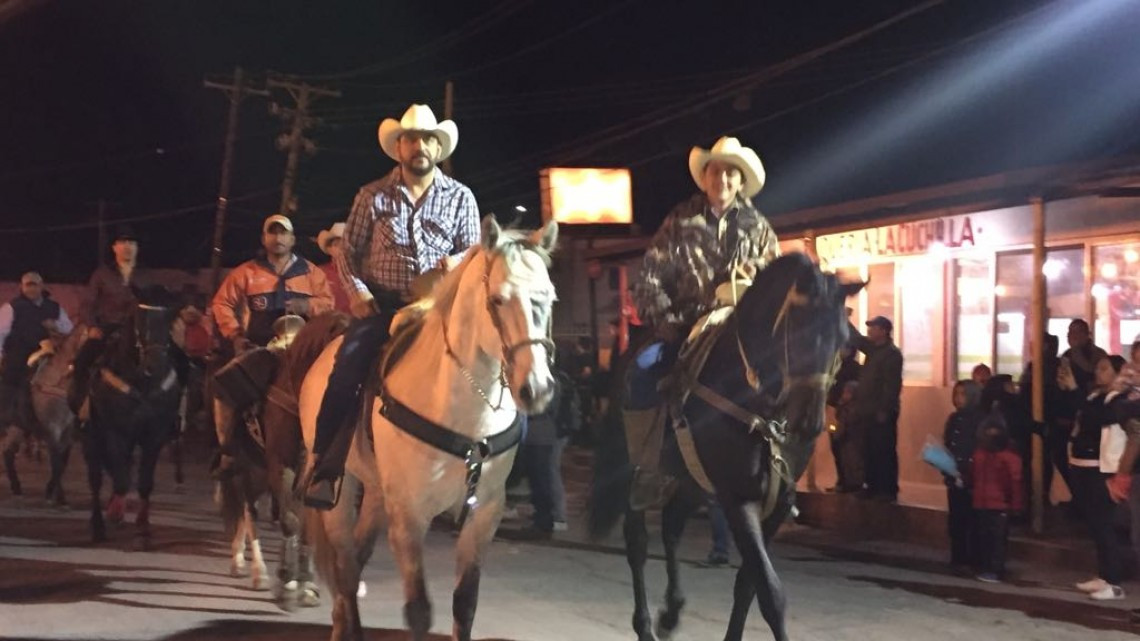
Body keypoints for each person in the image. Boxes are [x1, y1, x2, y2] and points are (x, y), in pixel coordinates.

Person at [304, 104, 480, 508]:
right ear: (398, 147)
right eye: (411, 139)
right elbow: (348, 252)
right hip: (382, 305)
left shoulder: (461, 197)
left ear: (438, 147)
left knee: (489, 364)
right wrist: (359, 293)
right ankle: (324, 465)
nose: (420, 146)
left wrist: (448, 265)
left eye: (428, 139)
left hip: (438, 307)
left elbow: (472, 250)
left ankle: (488, 469)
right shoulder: (372, 195)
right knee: (347, 368)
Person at [625, 136, 778, 503]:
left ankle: (780, 473)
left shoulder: (759, 227)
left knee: (786, 379)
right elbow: (649, 275)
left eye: (730, 173)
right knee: (641, 373)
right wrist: (665, 320)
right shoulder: (680, 220)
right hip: (685, 324)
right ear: (705, 177)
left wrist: (755, 268)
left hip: (741, 328)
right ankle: (647, 466)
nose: (722, 179)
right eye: (715, 171)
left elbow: (775, 275)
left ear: (740, 181)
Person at [71, 225, 162, 411]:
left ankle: (173, 413)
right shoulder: (102, 274)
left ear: (137, 248)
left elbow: (155, 303)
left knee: (170, 361)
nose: (127, 246)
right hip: (107, 328)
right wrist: (92, 326)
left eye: (131, 243)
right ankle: (79, 407)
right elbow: (87, 304)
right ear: (114, 248)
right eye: (123, 242)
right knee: (81, 362)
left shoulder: (147, 276)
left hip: (139, 330)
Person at [212, 214, 334, 351]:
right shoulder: (246, 272)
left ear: (292, 240)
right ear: (263, 239)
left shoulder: (312, 273)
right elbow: (221, 303)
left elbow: (328, 305)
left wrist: (307, 305)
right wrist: (235, 334)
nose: (278, 238)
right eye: (272, 233)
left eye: (283, 233)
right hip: (257, 349)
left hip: (301, 351)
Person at [1063, 353, 1127, 600]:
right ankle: (1104, 576)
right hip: (1082, 464)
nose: (1098, 372)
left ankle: (1115, 583)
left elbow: (1095, 418)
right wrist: (1072, 391)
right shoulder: (1094, 396)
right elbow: (1079, 413)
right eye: (1098, 368)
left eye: (1104, 368)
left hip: (1101, 468)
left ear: (1117, 373)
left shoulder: (1119, 400)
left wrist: (1076, 392)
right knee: (1094, 523)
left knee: (1104, 524)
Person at [0, 272, 74, 431]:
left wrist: (55, 326)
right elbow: (1, 332)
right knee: (11, 378)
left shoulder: (53, 307)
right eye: (28, 285)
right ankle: (7, 420)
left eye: (35, 285)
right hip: (20, 351)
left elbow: (69, 329)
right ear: (22, 287)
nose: (31, 289)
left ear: (42, 286)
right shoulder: (13, 307)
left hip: (49, 350)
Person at [849, 316, 903, 502]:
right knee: (868, 450)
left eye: (874, 327)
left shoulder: (892, 354)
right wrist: (842, 317)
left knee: (884, 451)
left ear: (884, 331)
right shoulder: (873, 349)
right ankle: (871, 486)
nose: (870, 331)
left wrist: (884, 410)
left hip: (881, 412)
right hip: (866, 410)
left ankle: (887, 490)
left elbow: (892, 386)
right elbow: (856, 338)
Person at [971, 410, 1024, 583]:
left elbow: (1015, 483)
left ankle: (994, 569)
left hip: (997, 504)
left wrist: (1015, 506)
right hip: (986, 503)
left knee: (995, 540)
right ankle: (989, 568)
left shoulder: (1005, 456)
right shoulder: (983, 454)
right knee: (987, 538)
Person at [1017, 333, 1067, 503]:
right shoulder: (1034, 365)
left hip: (1047, 419)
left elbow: (1052, 393)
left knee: (1047, 459)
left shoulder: (1050, 366)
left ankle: (1042, 496)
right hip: (1034, 419)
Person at [942, 380, 983, 573]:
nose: (958, 398)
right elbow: (949, 443)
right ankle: (958, 556)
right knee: (956, 519)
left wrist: (967, 469)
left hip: (971, 476)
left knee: (971, 519)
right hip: (954, 474)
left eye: (963, 394)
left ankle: (973, 557)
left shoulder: (979, 419)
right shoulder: (954, 419)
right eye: (956, 394)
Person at [826, 345, 862, 493]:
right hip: (834, 411)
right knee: (835, 447)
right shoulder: (836, 366)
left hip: (847, 414)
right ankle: (841, 480)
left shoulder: (855, 369)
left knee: (848, 449)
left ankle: (851, 482)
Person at [1062, 319, 1109, 393]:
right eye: (1070, 332)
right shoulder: (1067, 354)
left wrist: (1075, 350)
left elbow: (1092, 371)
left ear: (1087, 334)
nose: (1073, 335)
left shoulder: (1099, 353)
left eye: (1077, 332)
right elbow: (1063, 380)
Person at [316, 222, 353, 314]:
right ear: (329, 249)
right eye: (337, 244)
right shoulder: (320, 273)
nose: (342, 248)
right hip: (331, 320)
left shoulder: (365, 271)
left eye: (345, 244)